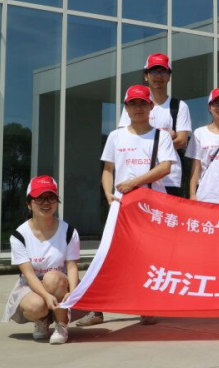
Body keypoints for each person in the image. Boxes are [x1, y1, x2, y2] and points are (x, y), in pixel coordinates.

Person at [78, 85, 179, 328]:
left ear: (151, 106)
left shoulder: (161, 136)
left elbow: (165, 167)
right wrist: (108, 194)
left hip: (152, 206)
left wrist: (134, 182)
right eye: (133, 104)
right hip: (122, 205)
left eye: (143, 103)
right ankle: (96, 308)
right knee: (108, 255)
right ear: (126, 107)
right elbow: (108, 170)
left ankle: (147, 306)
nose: (138, 108)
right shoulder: (116, 136)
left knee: (151, 257)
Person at [2, 176, 79, 345]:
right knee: (35, 306)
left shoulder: (69, 232)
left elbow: (72, 267)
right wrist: (45, 295)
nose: (46, 203)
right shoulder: (19, 236)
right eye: (39, 198)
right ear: (29, 204)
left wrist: (73, 292)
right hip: (31, 285)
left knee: (53, 277)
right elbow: (29, 274)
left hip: (60, 283)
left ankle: (62, 325)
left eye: (51, 197)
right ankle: (42, 319)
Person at [117, 53, 192, 198]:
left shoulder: (179, 106)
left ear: (169, 76)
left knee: (167, 213)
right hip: (136, 174)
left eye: (163, 71)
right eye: (153, 72)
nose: (158, 76)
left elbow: (182, 141)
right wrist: (166, 138)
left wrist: (144, 142)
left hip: (169, 178)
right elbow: (124, 137)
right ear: (146, 76)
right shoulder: (134, 105)